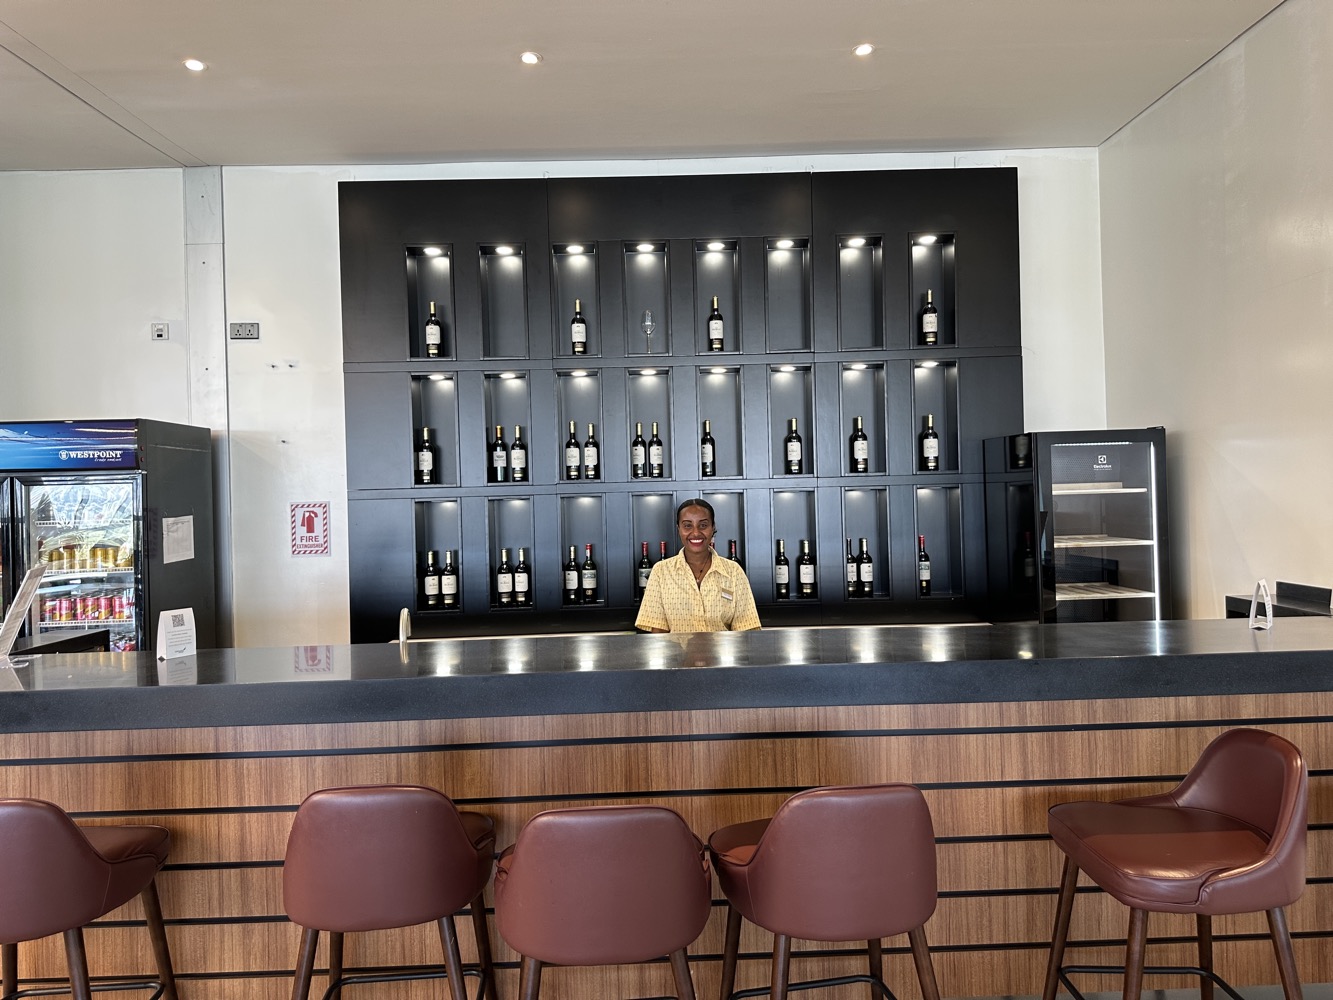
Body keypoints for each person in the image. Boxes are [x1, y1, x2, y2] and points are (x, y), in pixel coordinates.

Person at [635, 498, 760, 633]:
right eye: (688, 525)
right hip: (676, 654)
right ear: (679, 529)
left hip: (723, 654)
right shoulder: (661, 572)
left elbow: (747, 631)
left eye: (703, 525)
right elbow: (658, 635)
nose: (695, 533)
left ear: (713, 528)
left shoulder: (733, 571)